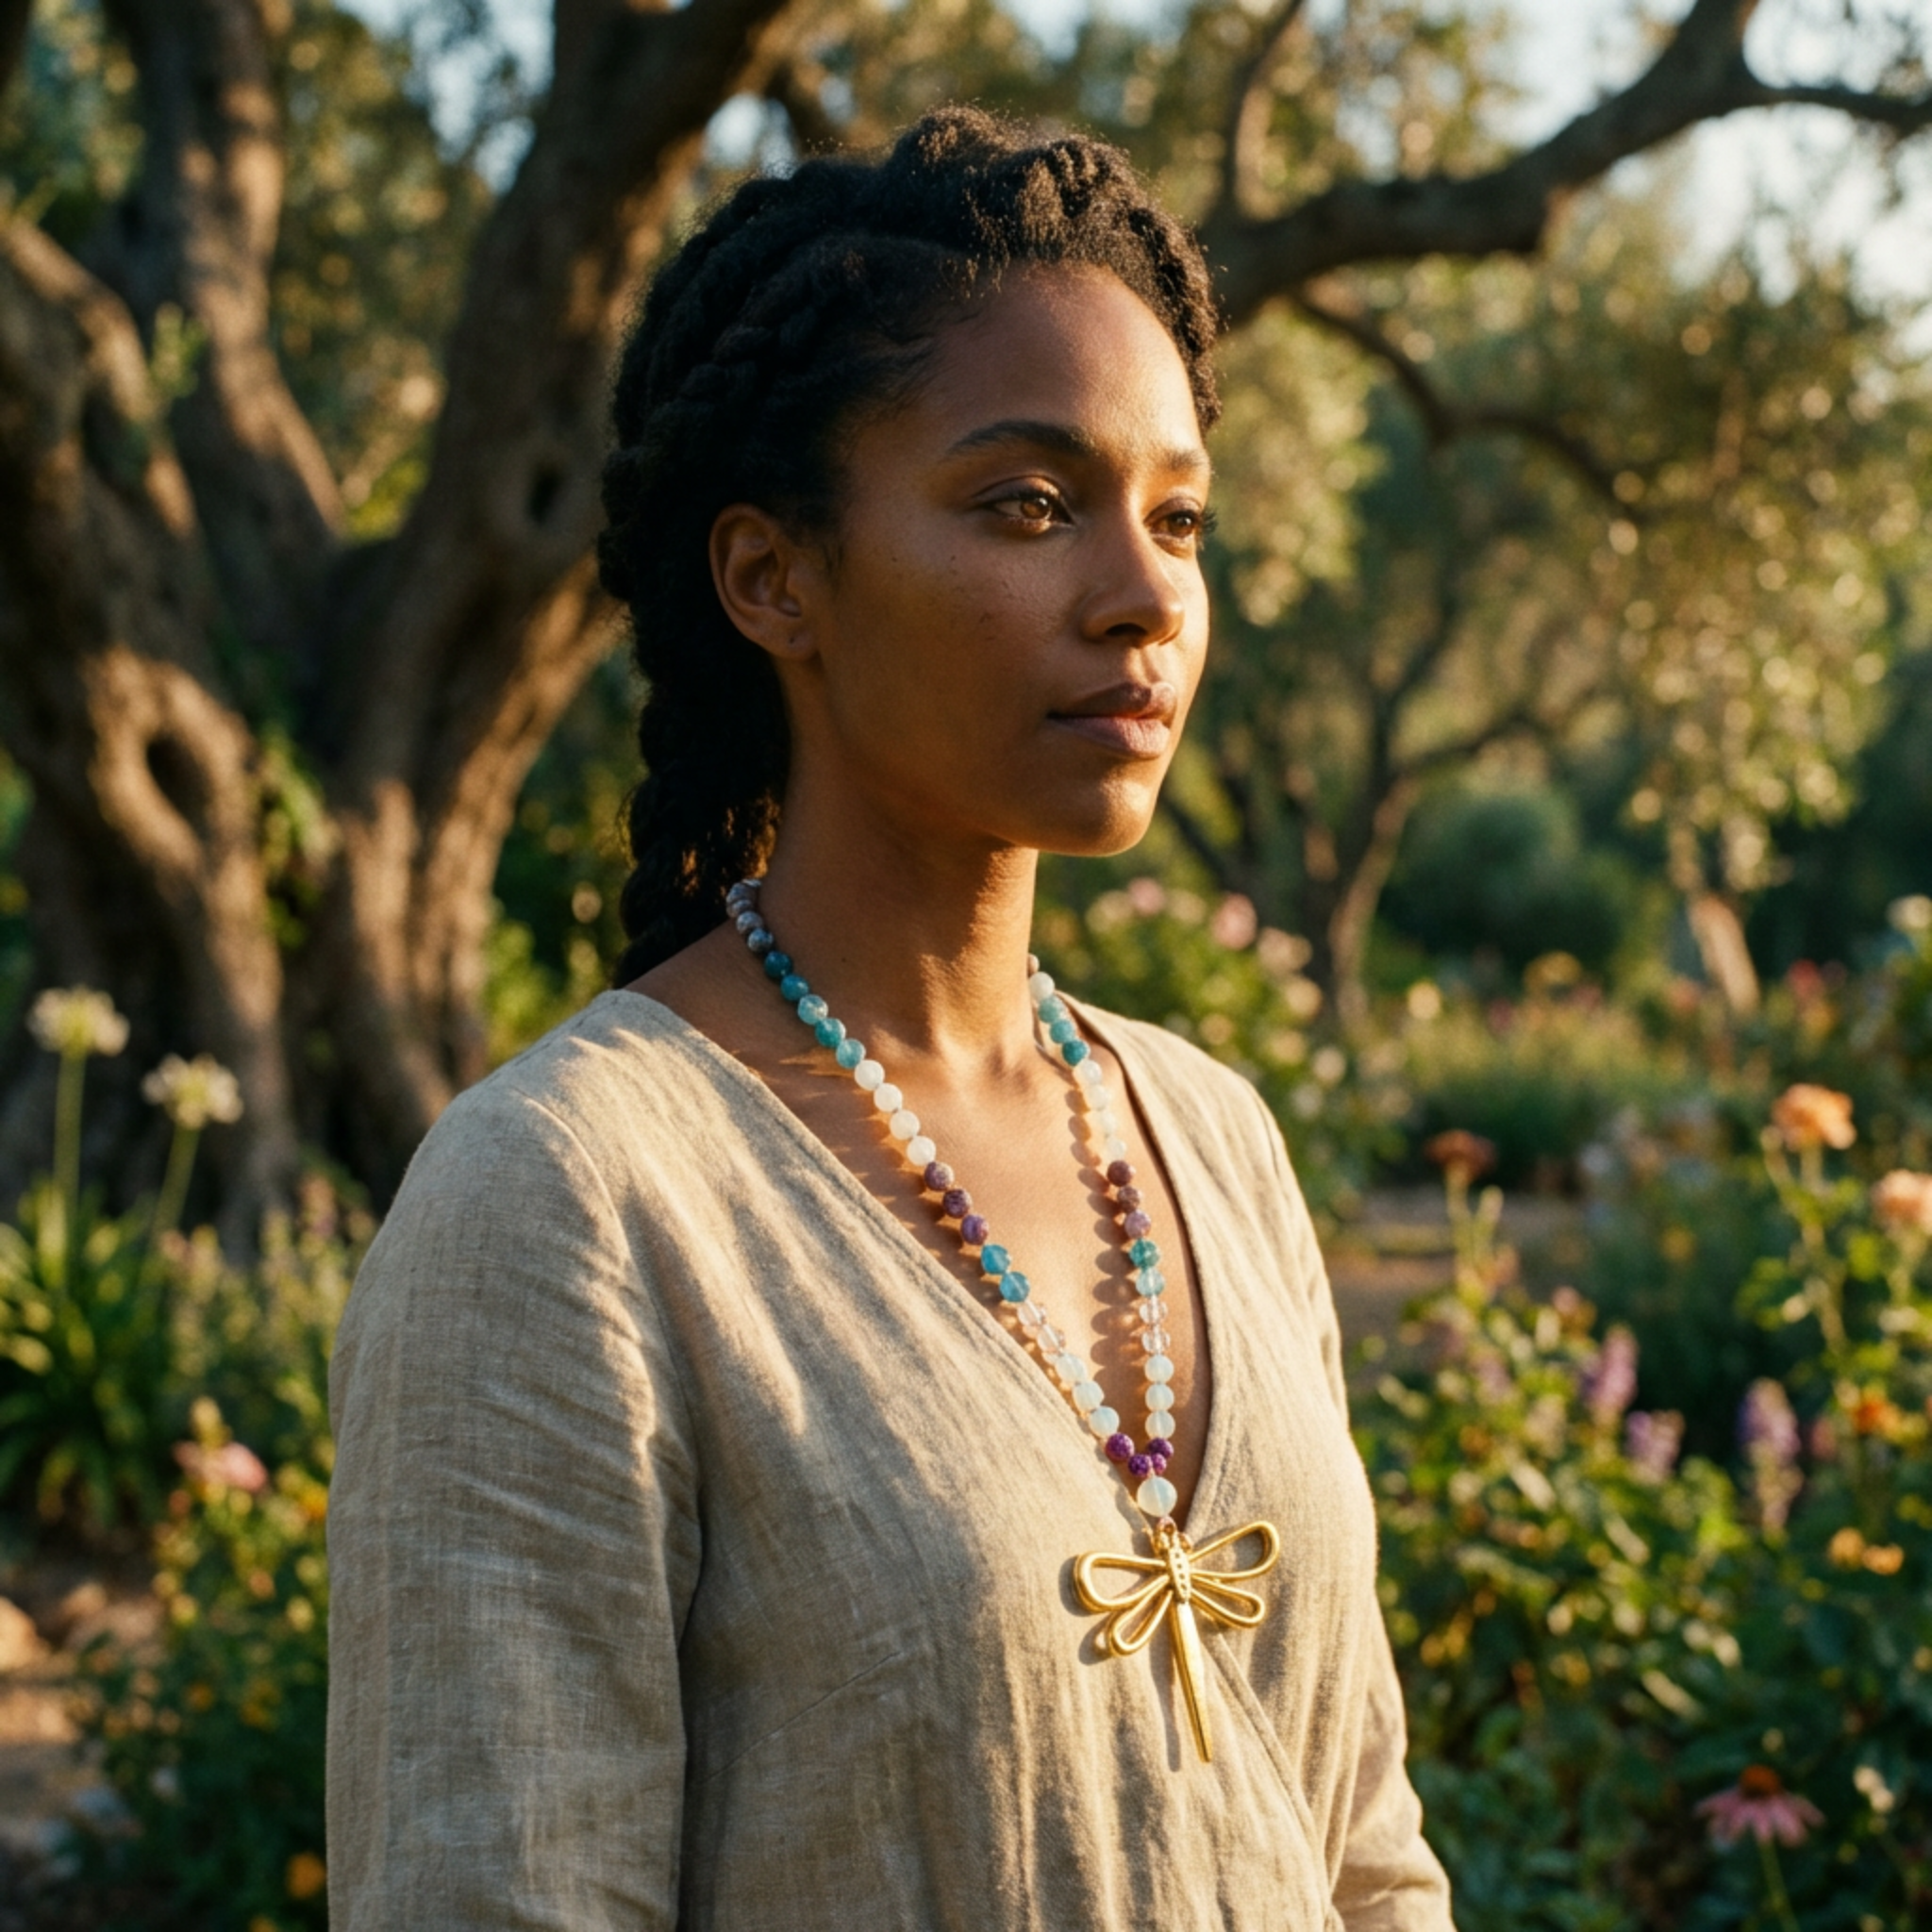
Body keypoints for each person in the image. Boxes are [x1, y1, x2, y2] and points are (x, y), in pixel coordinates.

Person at [326, 108, 1454, 1931]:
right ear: (774, 578)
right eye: (1028, 503)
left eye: (1180, 519)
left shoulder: (1213, 1137)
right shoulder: (565, 1206)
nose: (1145, 596)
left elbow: (1368, 1853)